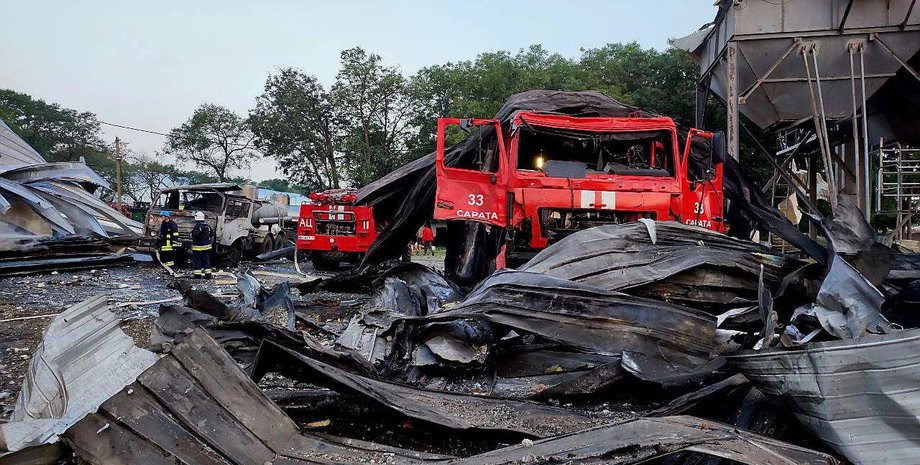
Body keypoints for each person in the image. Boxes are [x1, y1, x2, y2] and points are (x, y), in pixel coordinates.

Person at [190, 211, 213, 279]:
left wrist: (191, 234)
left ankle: (197, 275)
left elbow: (194, 235)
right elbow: (212, 234)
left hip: (198, 247)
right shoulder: (207, 226)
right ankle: (208, 275)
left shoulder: (197, 226)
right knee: (206, 260)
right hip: (206, 247)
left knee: (197, 260)